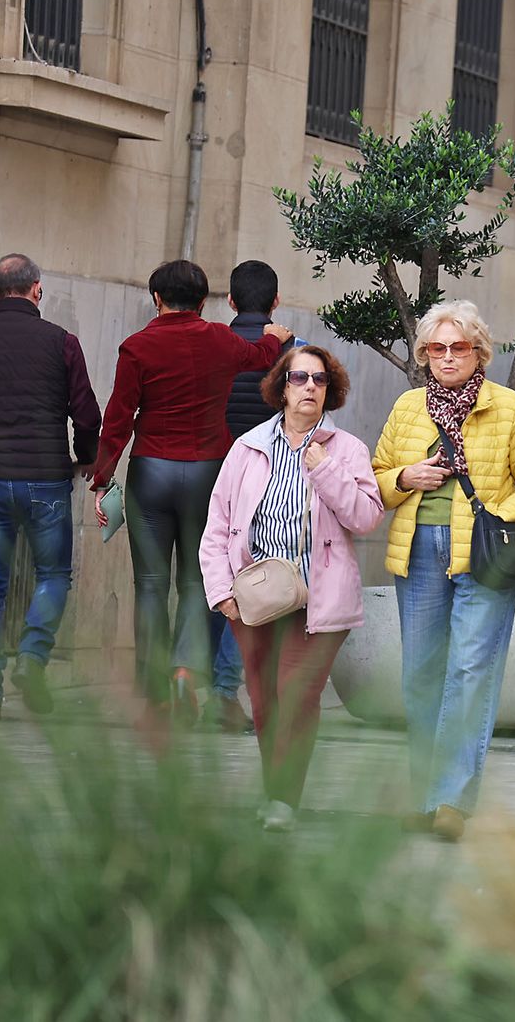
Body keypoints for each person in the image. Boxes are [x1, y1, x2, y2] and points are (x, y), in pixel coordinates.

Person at [372, 299, 515, 842]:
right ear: (425, 355)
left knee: (470, 672)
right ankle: (425, 796)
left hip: (483, 555)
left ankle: (451, 799)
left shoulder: (507, 408)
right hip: (418, 552)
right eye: (437, 348)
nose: (448, 357)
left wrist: (501, 515)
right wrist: (406, 477)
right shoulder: (409, 407)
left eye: (459, 347)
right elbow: (376, 476)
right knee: (420, 678)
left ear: (479, 353)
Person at [89, 260, 293, 730]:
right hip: (208, 471)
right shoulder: (222, 340)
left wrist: (102, 479)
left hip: (151, 471)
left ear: (156, 298)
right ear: (205, 302)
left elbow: (118, 419)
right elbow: (261, 354)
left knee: (151, 586)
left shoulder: (137, 347)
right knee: (198, 583)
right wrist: (276, 335)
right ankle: (185, 671)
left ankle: (153, 693)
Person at [200, 345, 383, 832]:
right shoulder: (248, 448)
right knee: (264, 701)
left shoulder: (346, 449)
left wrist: (324, 468)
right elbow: (218, 525)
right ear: (281, 387)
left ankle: (284, 800)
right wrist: (221, 592)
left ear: (330, 390)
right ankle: (275, 790)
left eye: (319, 380)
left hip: (319, 600)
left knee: (296, 695)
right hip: (257, 597)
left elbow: (366, 517)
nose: (309, 388)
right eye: (299, 378)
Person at [0, 253, 102, 721]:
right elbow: (87, 414)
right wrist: (87, 456)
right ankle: (30, 657)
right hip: (47, 478)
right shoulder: (61, 342)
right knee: (52, 576)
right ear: (37, 289)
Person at [205, 260, 296, 734]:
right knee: (251, 585)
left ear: (231, 301)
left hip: (212, 471)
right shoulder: (291, 354)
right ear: (276, 301)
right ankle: (223, 690)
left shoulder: (215, 343)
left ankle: (203, 686)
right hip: (269, 480)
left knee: (215, 578)